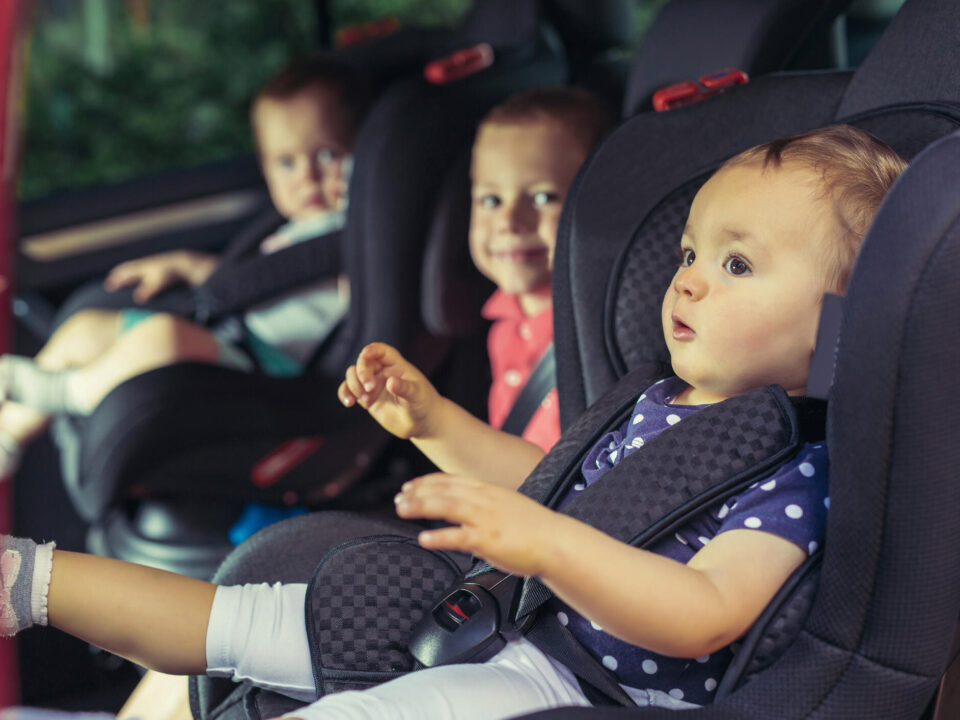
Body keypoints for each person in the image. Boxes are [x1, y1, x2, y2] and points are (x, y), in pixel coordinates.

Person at [0, 125, 907, 719]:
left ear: (848, 316)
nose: (690, 278)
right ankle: (29, 581)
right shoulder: (654, 402)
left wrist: (545, 546)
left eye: (739, 265)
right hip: (509, 619)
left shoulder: (799, 476)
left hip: (570, 686)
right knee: (236, 620)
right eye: (689, 253)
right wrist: (428, 419)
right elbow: (543, 480)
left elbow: (704, 613)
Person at [0, 55, 372, 477]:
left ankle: (66, 391)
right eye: (287, 163)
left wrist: (362, 225)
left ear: (364, 155)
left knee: (163, 336)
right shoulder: (291, 229)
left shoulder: (357, 230)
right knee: (83, 329)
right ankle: (8, 435)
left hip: (270, 371)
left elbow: (365, 294)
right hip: (232, 335)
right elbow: (256, 282)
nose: (306, 176)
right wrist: (184, 264)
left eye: (327, 155)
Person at [340, 86, 615, 462]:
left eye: (542, 197)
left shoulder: (597, 328)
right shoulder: (501, 321)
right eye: (491, 200)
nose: (509, 222)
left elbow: (562, 479)